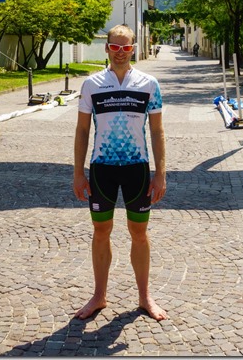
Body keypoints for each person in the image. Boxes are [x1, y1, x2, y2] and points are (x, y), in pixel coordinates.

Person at [72, 24, 167, 321]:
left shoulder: (149, 83)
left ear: (134, 48)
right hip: (103, 169)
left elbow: (157, 130)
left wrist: (161, 173)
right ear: (107, 48)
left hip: (137, 169)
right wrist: (78, 172)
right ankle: (99, 296)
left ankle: (144, 297)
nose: (121, 53)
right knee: (101, 231)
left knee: (139, 233)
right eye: (115, 47)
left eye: (126, 47)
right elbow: (82, 129)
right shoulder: (91, 84)